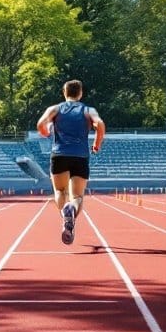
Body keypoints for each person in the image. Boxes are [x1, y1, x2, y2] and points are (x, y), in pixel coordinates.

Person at [37, 79, 105, 245]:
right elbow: (100, 124)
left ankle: (66, 215)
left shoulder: (54, 109)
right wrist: (96, 144)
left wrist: (46, 133)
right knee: (78, 196)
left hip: (59, 154)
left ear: (64, 93)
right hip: (80, 156)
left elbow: (40, 124)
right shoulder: (88, 110)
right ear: (80, 93)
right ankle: (72, 209)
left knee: (60, 190)